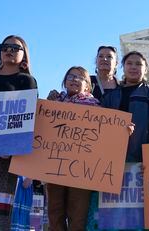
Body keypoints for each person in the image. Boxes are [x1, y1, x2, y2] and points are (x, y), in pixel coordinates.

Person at [87, 51, 149, 230]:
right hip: (111, 163)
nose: (133, 67)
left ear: (145, 69)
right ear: (123, 67)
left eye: (138, 64)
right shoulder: (111, 96)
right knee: (108, 215)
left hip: (139, 163)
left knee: (139, 216)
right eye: (129, 63)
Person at [0, 35, 37, 231]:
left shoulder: (27, 81)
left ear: (24, 55)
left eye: (15, 48)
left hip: (7, 158)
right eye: (5, 46)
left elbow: (30, 119)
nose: (9, 50)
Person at [46, 66, 100, 231]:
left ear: (87, 86)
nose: (75, 79)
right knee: (54, 213)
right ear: (64, 81)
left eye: (80, 78)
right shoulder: (54, 103)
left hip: (81, 170)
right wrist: (48, 104)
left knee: (78, 215)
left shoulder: (96, 108)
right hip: (54, 166)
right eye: (71, 76)